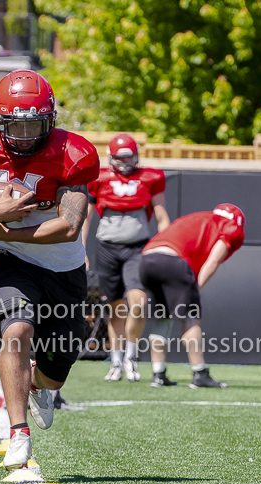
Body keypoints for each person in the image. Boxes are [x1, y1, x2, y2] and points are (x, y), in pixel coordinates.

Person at [0, 70, 100, 470]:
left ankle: (37, 384)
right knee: (17, 329)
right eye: (18, 124)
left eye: (35, 123)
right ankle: (18, 432)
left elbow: (68, 227)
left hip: (64, 268)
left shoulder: (72, 152)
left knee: (59, 365)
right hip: (13, 261)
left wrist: (11, 226)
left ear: (50, 120)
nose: (27, 134)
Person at [83, 133, 170, 383]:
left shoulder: (149, 178)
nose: (125, 162)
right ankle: (116, 361)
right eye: (120, 157)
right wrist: (80, 249)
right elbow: (85, 218)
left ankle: (132, 356)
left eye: (128, 156)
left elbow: (162, 217)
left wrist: (166, 249)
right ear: (111, 158)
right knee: (116, 309)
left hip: (137, 248)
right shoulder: (99, 178)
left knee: (139, 303)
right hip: (107, 248)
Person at [140, 203, 245, 388]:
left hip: (147, 259)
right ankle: (200, 373)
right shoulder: (230, 227)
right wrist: (196, 288)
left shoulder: (198, 216)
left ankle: (158, 374)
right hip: (173, 260)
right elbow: (214, 260)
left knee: (162, 318)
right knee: (190, 317)